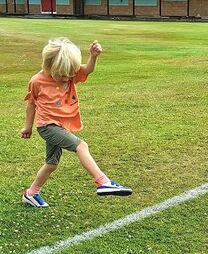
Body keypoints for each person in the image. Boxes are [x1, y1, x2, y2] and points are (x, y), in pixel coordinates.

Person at [21, 38, 132, 207]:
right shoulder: (37, 81)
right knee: (82, 146)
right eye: (63, 76)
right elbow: (31, 103)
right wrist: (27, 126)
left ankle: (31, 193)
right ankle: (103, 182)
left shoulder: (70, 73)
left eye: (71, 74)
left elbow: (87, 69)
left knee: (51, 164)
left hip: (61, 126)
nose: (68, 78)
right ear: (49, 67)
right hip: (47, 126)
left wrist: (93, 56)